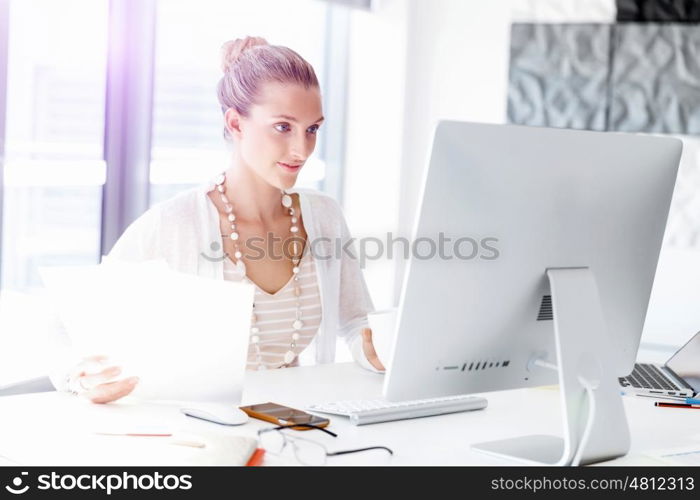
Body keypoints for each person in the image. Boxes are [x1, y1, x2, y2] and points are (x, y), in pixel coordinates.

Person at [49, 36, 385, 404]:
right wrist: (81, 378)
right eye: (283, 127)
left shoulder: (323, 217)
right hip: (200, 432)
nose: (301, 149)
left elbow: (356, 323)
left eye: (312, 129)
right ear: (236, 124)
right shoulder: (177, 223)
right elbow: (62, 325)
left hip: (296, 425)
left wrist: (380, 350)